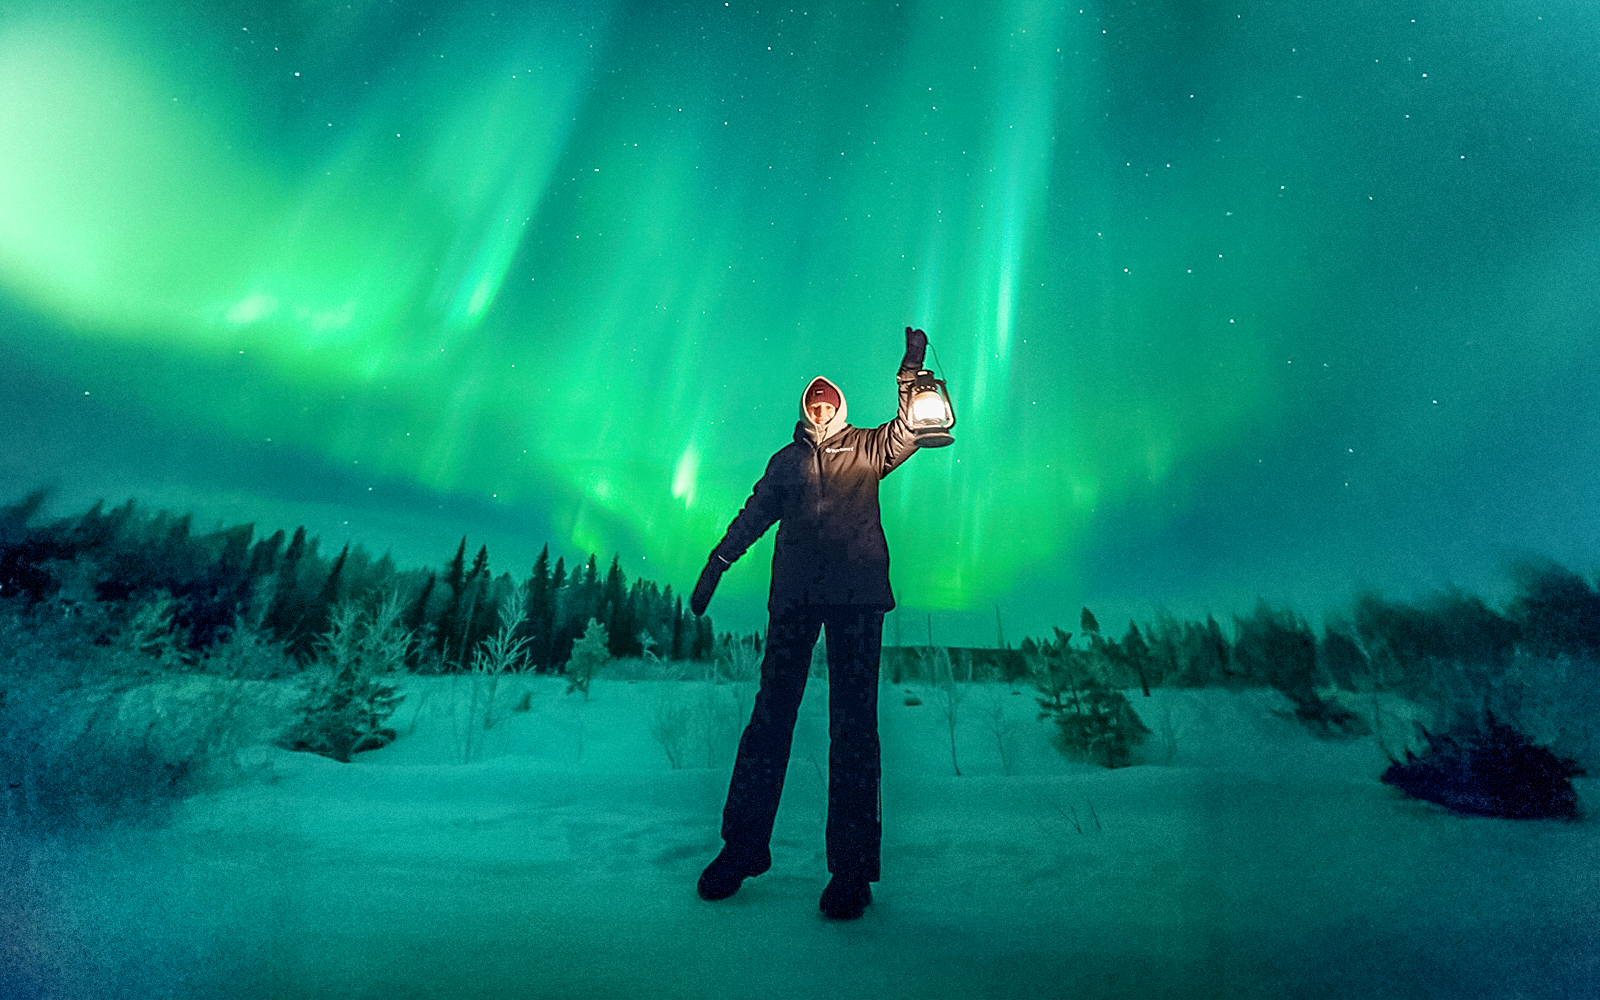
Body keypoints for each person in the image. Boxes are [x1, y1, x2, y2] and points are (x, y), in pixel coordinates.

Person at [689, 325, 931, 921]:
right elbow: (753, 515)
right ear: (805, 411)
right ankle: (741, 849)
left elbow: (910, 431)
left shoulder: (869, 448)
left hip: (856, 600)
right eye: (813, 402)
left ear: (842, 407)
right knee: (770, 722)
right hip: (795, 601)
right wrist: (718, 561)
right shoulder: (787, 463)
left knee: (853, 732)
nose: (822, 407)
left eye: (830, 401)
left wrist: (910, 376)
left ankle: (852, 873)